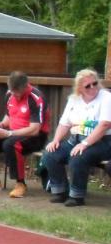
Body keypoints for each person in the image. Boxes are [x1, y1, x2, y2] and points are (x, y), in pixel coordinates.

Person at [0, 71, 49, 198]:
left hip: (35, 137)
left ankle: (20, 184)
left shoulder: (36, 98)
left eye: (17, 93)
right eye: (12, 92)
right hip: (13, 133)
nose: (14, 95)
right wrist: (0, 125)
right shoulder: (9, 94)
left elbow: (35, 129)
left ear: (25, 87)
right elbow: (9, 116)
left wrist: (9, 133)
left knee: (10, 144)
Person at [43, 69, 111, 207]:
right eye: (87, 86)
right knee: (50, 154)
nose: (92, 87)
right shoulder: (73, 100)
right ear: (79, 88)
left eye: (95, 83)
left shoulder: (106, 97)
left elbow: (105, 124)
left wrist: (85, 143)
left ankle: (77, 196)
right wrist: (56, 140)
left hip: (101, 141)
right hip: (75, 139)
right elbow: (64, 123)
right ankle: (60, 191)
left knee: (78, 157)